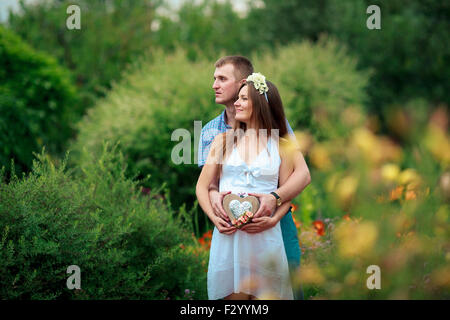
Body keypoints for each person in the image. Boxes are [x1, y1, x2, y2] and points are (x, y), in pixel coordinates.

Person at [197, 56, 311, 299]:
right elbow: (208, 185)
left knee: (289, 285)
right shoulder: (212, 134)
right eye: (214, 79)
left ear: (242, 85)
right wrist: (216, 203)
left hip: (272, 224)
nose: (215, 85)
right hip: (230, 229)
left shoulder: (279, 140)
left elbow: (297, 178)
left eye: (222, 79)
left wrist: (274, 204)